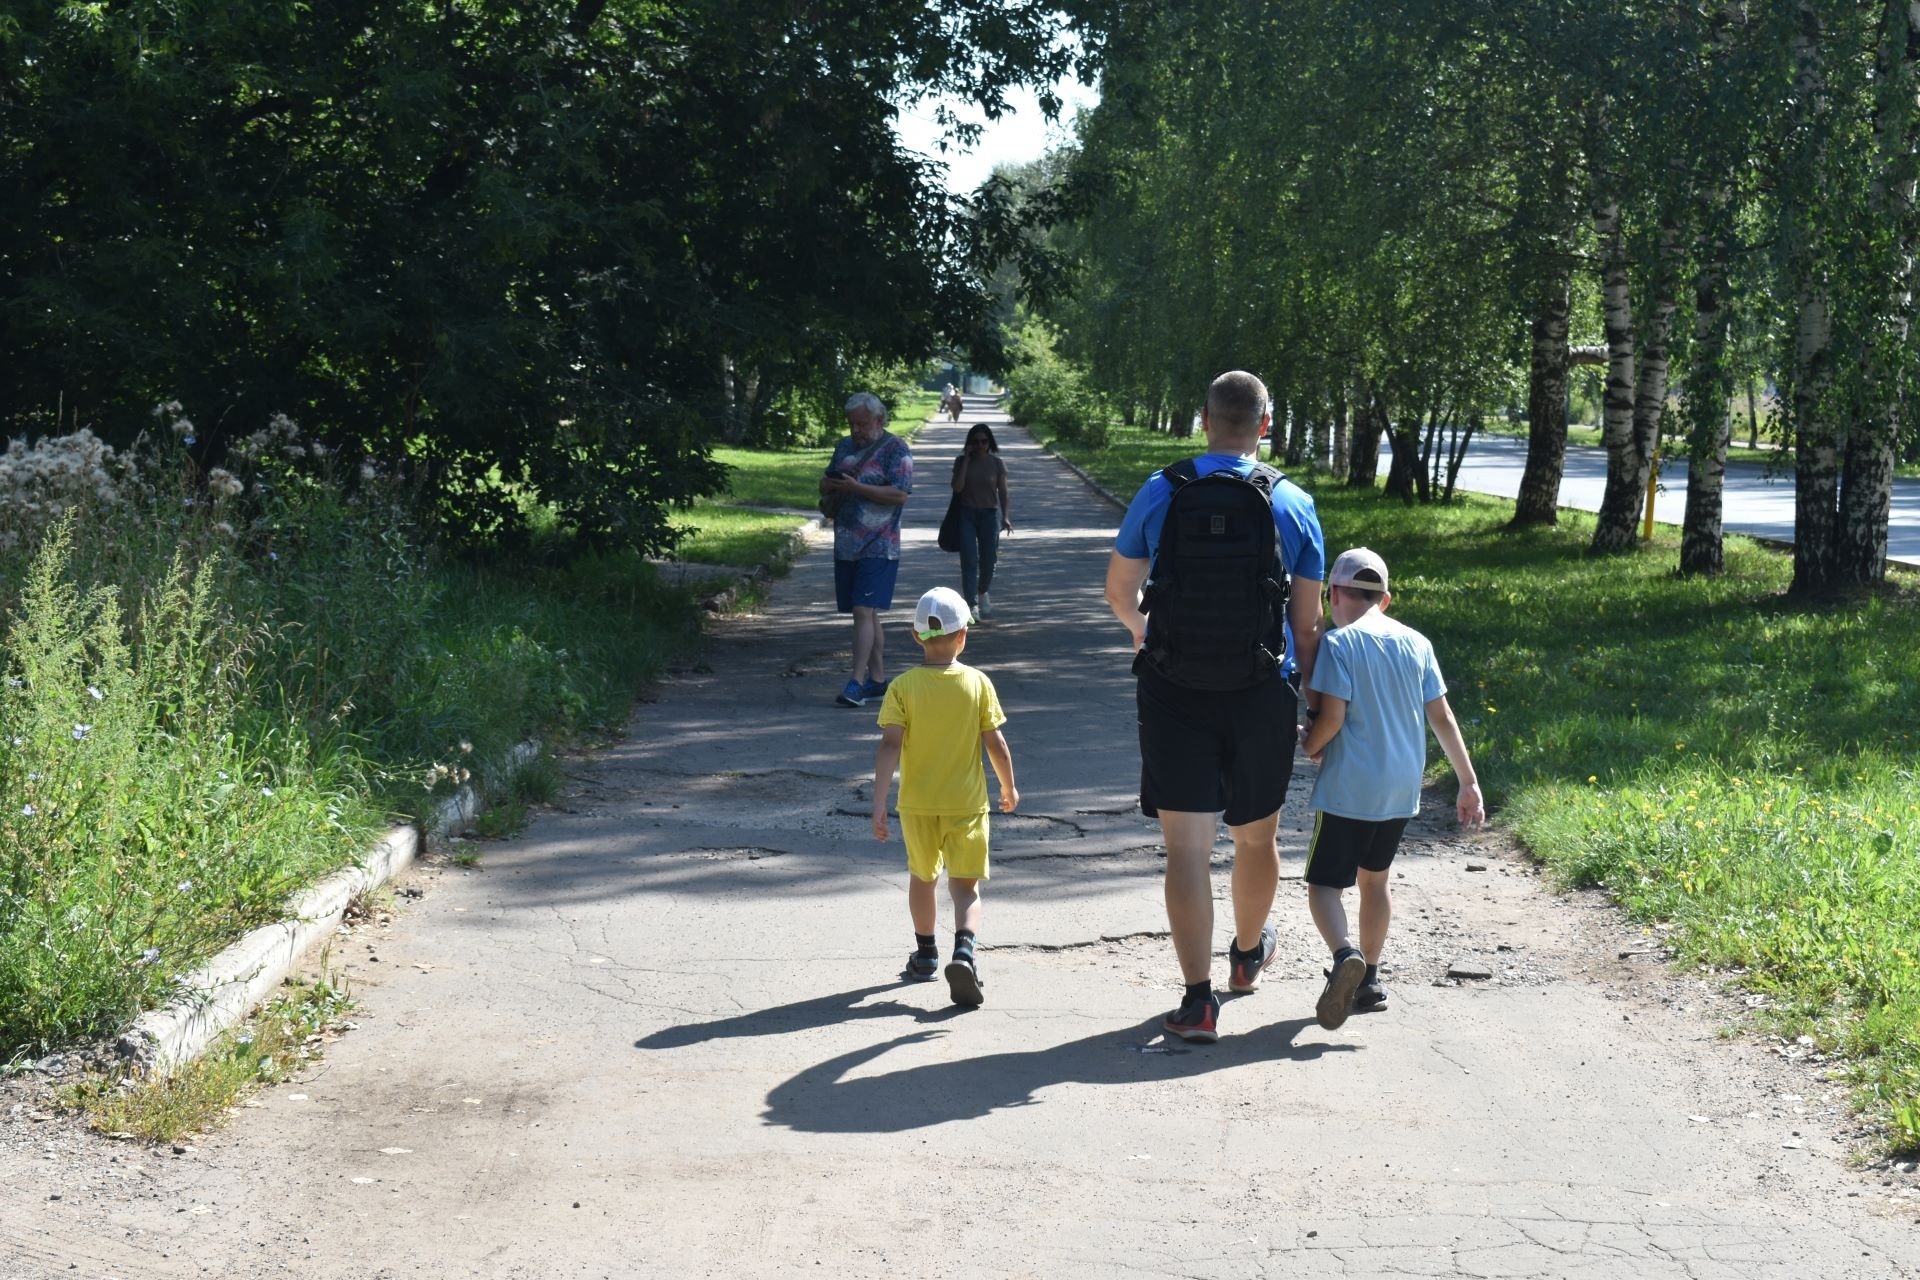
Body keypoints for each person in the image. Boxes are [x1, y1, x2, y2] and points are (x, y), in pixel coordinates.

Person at [1104, 369, 1327, 1043]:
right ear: (1265, 424)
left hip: (1173, 690)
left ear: (1204, 420)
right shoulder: (1292, 502)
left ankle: (1197, 1001)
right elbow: (1308, 622)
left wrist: (1148, 635)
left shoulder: (1162, 490)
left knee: (1186, 851)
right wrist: (1311, 698)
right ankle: (1247, 954)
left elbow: (1119, 589)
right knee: (1256, 837)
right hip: (1261, 690)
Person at [1298, 547, 1485, 1030]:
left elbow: (1333, 718)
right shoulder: (1417, 643)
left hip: (1348, 787)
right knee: (1374, 880)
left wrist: (1308, 743)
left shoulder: (1340, 646)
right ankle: (1371, 980)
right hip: (1401, 788)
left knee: (1323, 886)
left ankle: (1345, 958)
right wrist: (1468, 782)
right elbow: (1441, 717)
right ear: (1385, 599)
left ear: (1334, 595)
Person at [870, 586, 1019, 1008]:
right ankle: (965, 952)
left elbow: (889, 747)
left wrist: (880, 802)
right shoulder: (977, 683)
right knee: (966, 888)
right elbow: (997, 744)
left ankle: (926, 954)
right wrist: (1008, 786)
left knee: (922, 878)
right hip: (967, 805)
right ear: (963, 635)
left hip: (917, 806)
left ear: (915, 637)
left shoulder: (902, 687)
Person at [821, 392, 913, 708]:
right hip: (846, 543)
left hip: (881, 544)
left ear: (879, 420)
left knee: (863, 610)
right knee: (866, 613)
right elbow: (825, 481)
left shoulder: (896, 449)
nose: (855, 430)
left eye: (861, 424)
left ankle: (856, 683)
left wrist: (857, 488)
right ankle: (878, 680)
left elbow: (900, 494)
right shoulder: (844, 447)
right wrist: (832, 484)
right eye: (852, 424)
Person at [949, 423, 1013, 619]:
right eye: (975, 442)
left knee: (989, 560)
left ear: (989, 442)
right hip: (966, 514)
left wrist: (1006, 517)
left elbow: (1003, 492)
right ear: (969, 443)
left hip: (989, 515)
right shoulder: (961, 461)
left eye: (984, 441)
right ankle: (971, 604)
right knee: (969, 561)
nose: (979, 445)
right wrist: (967, 460)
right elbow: (958, 488)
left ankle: (982, 591)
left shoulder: (997, 463)